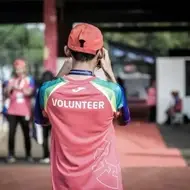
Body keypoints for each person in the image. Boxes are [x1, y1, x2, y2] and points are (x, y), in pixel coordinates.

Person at [35, 23, 130, 190]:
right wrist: (110, 73)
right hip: (104, 182)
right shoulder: (112, 91)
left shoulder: (47, 90)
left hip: (66, 183)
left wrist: (59, 77)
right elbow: (124, 120)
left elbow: (43, 121)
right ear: (101, 53)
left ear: (67, 51)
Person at [5, 59, 35, 163]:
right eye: (17, 69)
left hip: (24, 111)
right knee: (11, 133)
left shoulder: (29, 80)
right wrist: (9, 88)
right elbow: (6, 93)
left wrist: (18, 87)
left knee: (26, 133)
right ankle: (11, 154)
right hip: (12, 111)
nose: (18, 71)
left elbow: (29, 92)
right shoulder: (11, 80)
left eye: (20, 69)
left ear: (24, 69)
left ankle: (28, 154)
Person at [39, 71, 54, 164]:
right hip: (54, 118)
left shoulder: (42, 89)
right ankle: (52, 156)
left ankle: (45, 156)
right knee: (55, 138)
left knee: (45, 137)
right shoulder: (54, 88)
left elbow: (40, 104)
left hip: (45, 116)